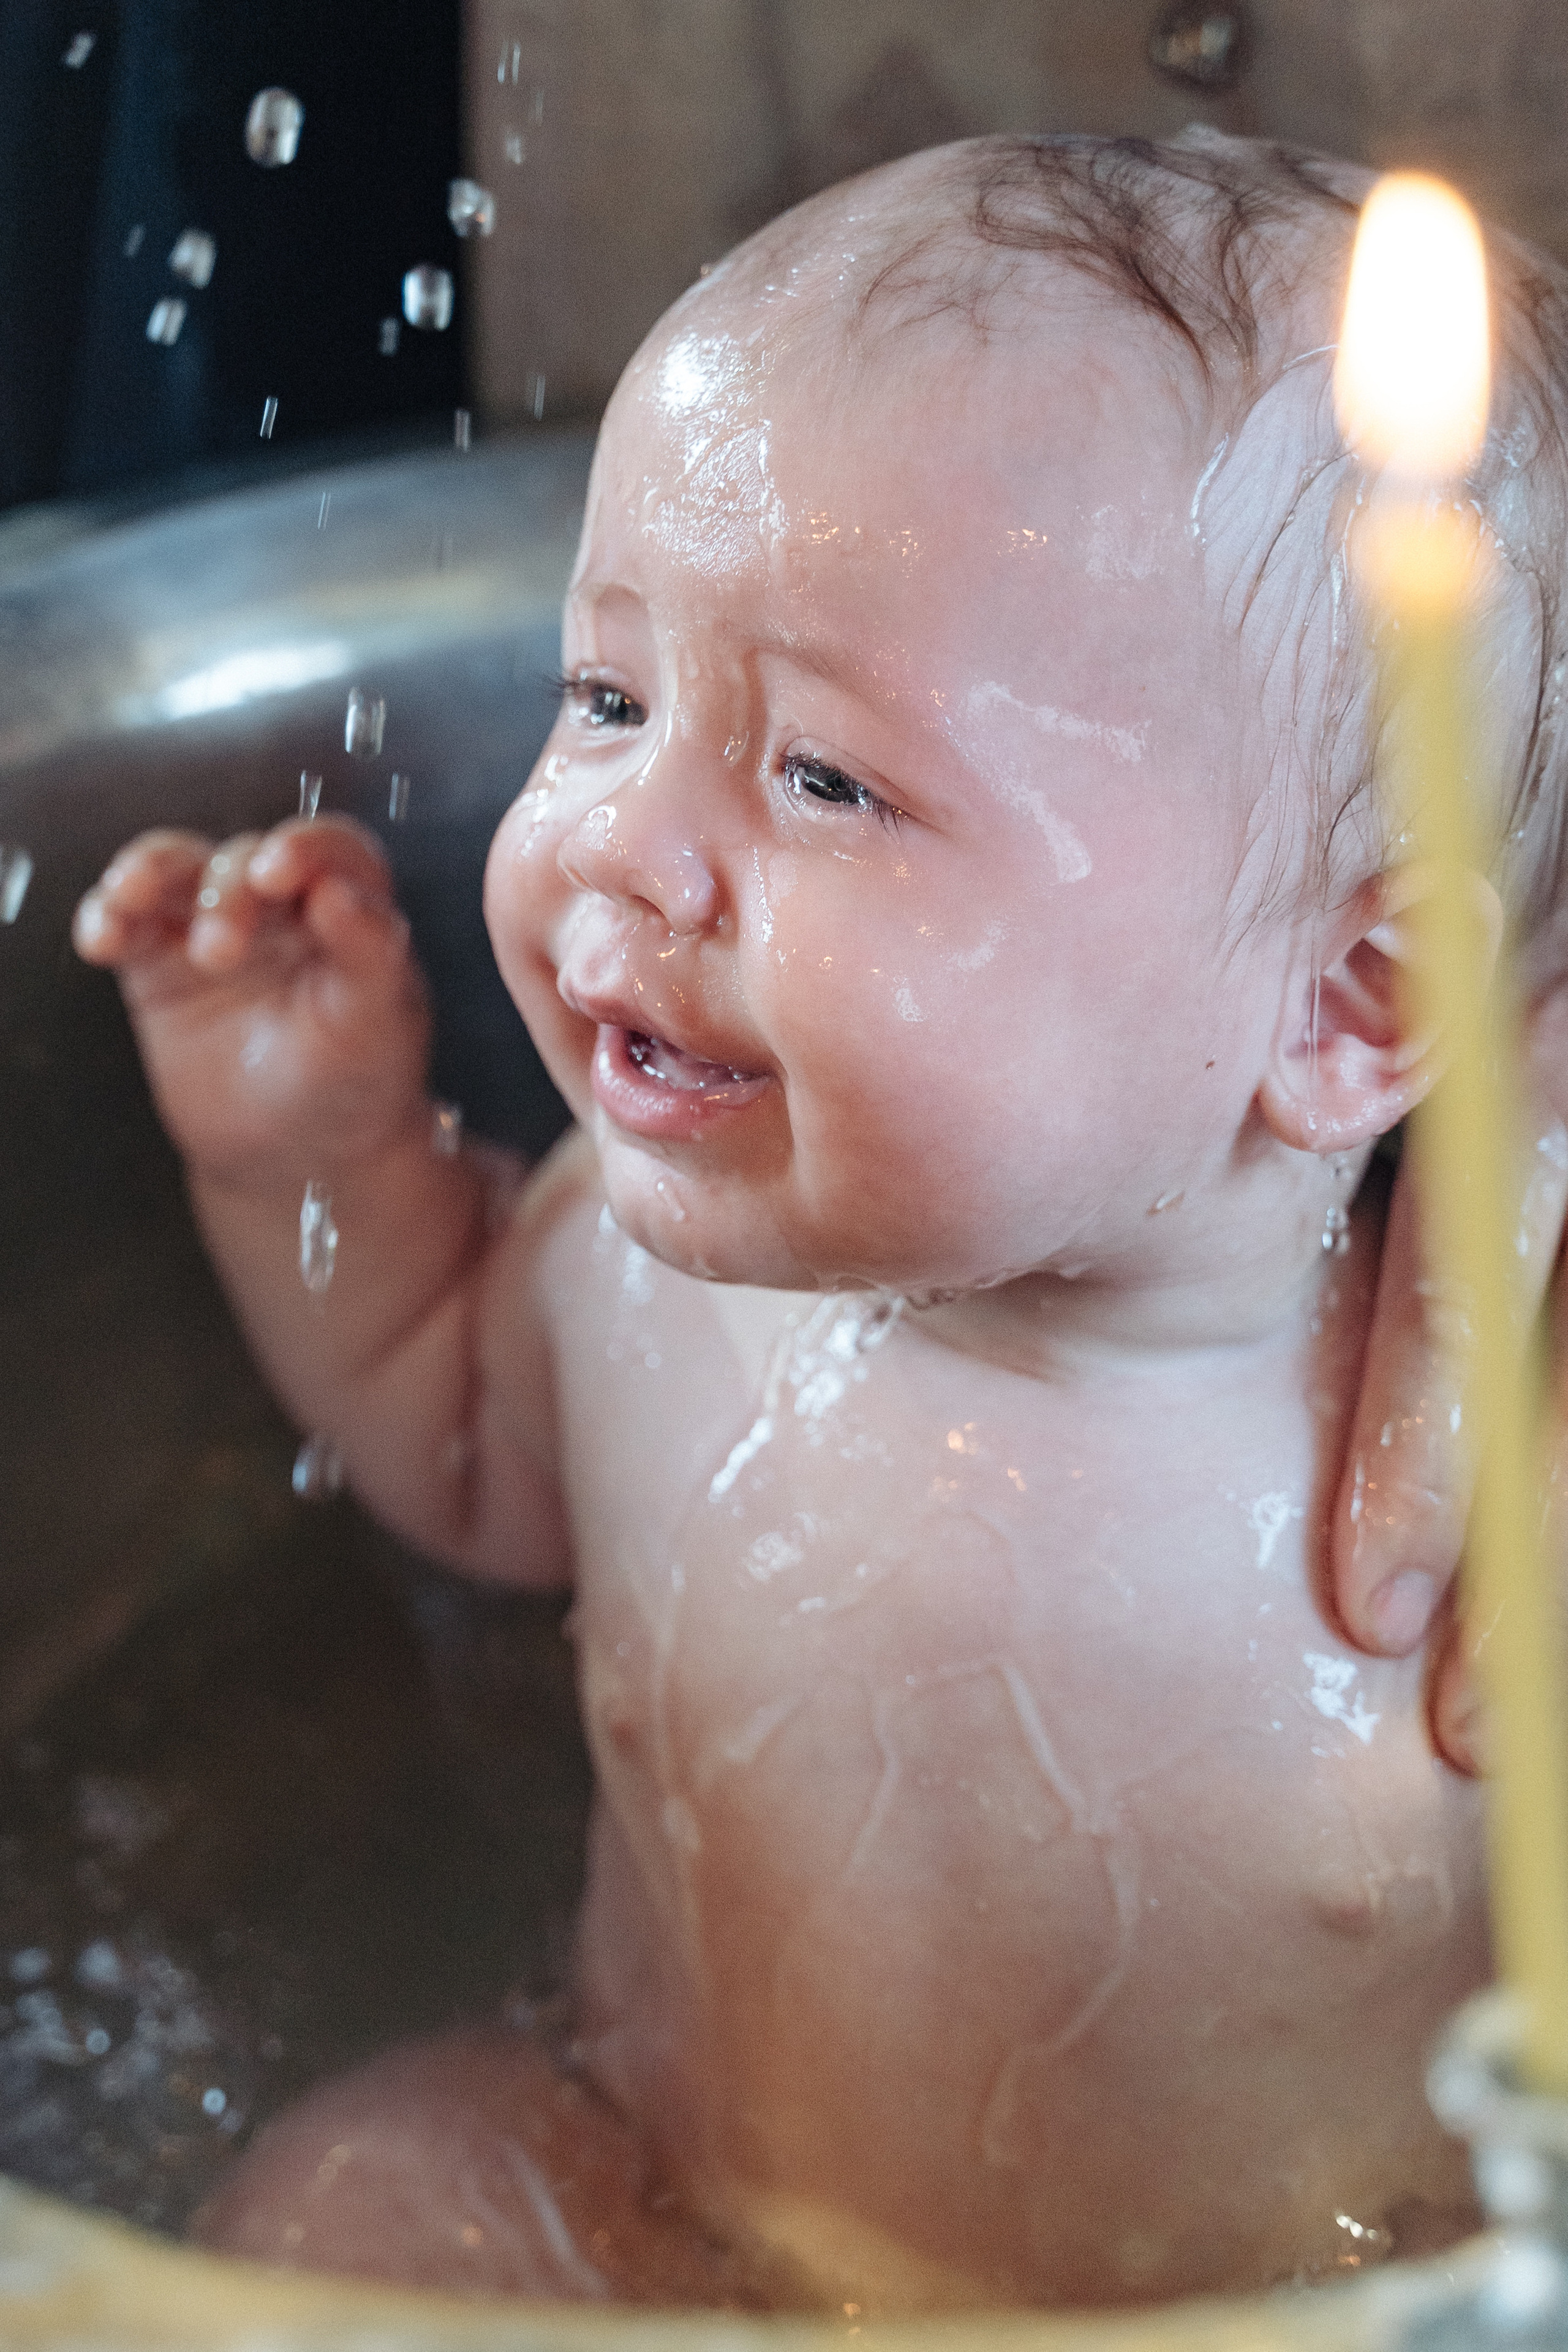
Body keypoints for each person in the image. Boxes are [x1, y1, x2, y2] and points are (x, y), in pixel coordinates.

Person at [70, 130, 1568, 2312]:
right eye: (610, 700)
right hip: (645, 2188)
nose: (621, 852)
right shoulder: (646, 1258)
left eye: (826, 781)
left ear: (1352, 1004)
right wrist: (311, 1157)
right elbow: (464, 1447)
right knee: (356, 2193)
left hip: (1256, 2300)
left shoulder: (1462, 1500)